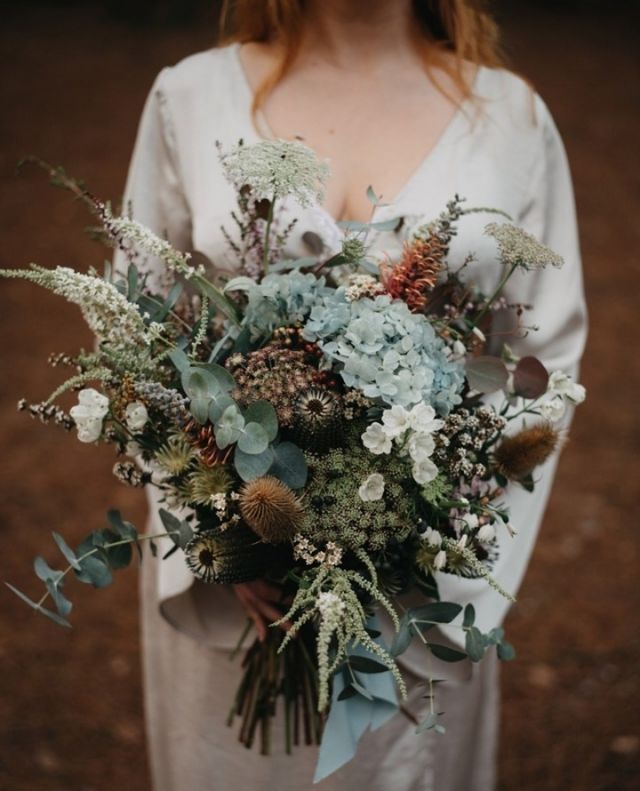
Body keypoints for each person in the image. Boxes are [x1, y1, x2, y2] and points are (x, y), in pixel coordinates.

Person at [114, 1, 587, 789]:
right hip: (241, 598)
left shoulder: (513, 118)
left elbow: (543, 355)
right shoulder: (191, 98)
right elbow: (141, 326)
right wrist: (218, 535)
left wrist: (444, 538)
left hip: (414, 597)